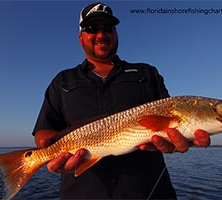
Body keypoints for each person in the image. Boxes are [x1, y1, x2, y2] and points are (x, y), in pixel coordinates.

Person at [33, 2, 210, 199]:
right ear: (80, 38)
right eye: (91, 29)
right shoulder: (62, 81)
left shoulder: (147, 73)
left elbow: (171, 124)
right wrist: (49, 150)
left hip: (150, 192)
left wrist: (184, 139)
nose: (101, 34)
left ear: (116, 33)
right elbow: (44, 129)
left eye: (107, 27)